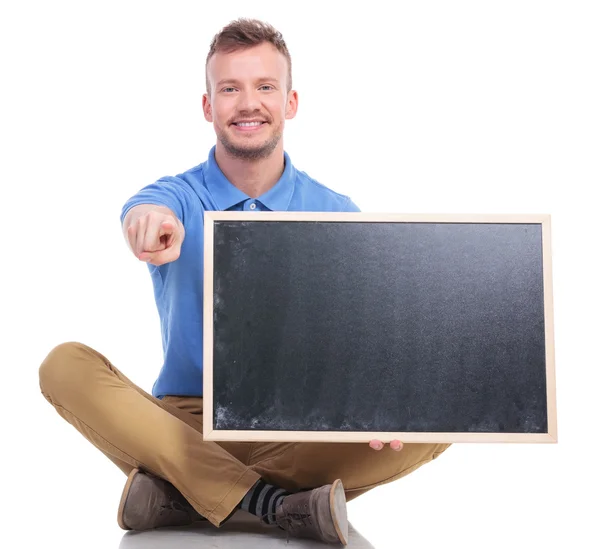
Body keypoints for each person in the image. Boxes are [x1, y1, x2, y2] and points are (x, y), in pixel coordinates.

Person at [39, 18, 450, 546]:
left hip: (298, 431)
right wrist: (147, 225)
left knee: (441, 419)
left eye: (264, 87)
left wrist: (379, 400)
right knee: (64, 365)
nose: (247, 103)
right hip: (184, 424)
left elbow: (363, 340)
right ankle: (275, 505)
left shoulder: (338, 213)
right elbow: (145, 210)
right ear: (209, 107)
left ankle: (183, 496)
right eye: (229, 88)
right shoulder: (179, 197)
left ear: (291, 102)